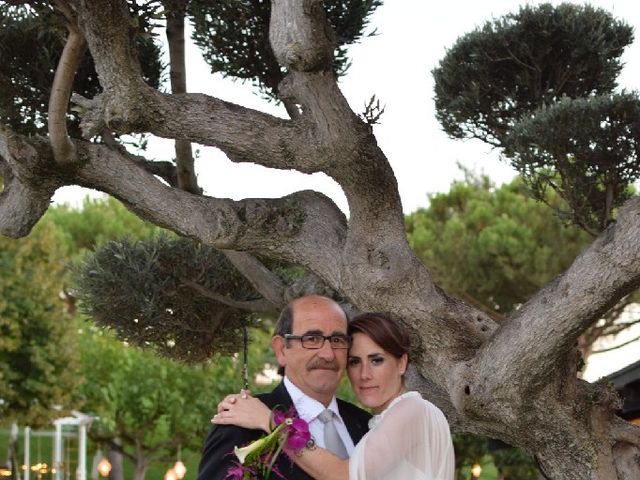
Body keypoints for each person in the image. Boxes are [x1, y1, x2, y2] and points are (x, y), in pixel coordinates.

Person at [213, 312, 455, 480]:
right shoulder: (372, 424)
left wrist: (269, 421)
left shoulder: (413, 410)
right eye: (354, 362)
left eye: (377, 360)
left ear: (402, 363)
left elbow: (345, 475)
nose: (364, 374)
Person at [197, 295, 372, 480]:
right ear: (281, 349)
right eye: (312, 339)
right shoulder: (240, 425)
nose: (328, 354)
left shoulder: (366, 426)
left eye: (337, 340)